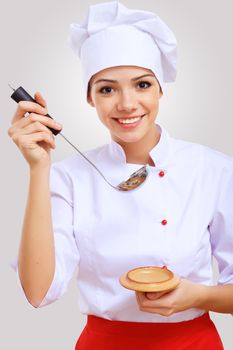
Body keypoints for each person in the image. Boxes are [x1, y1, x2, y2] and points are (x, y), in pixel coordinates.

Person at [8, 1, 233, 349]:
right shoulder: (69, 177)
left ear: (161, 89)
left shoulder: (213, 169)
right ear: (90, 98)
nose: (127, 104)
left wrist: (198, 296)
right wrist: (39, 168)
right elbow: (38, 294)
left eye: (142, 85)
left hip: (193, 341)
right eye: (107, 89)